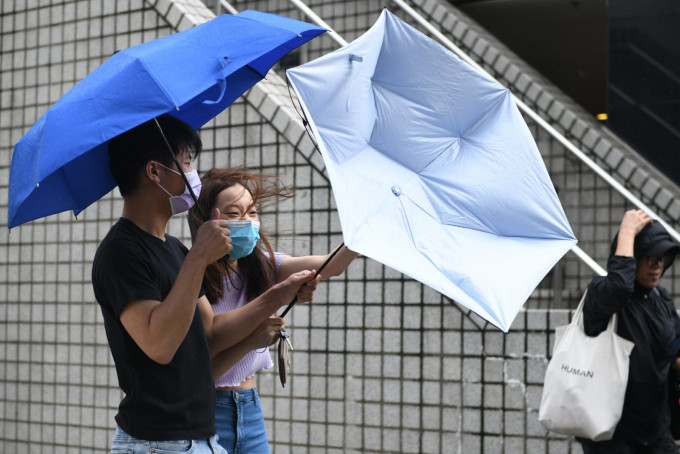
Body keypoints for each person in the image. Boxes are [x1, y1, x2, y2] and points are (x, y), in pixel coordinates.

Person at [91, 115, 319, 453]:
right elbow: (159, 343)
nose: (192, 174)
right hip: (158, 442)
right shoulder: (121, 251)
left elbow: (210, 334)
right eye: (185, 162)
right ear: (155, 172)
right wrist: (199, 257)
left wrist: (279, 294)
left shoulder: (173, 249)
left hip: (199, 438)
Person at [187, 167, 358, 454]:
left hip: (250, 407)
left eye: (252, 213)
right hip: (207, 411)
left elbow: (332, 265)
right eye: (233, 214)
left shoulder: (263, 264)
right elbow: (203, 361)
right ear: (205, 222)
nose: (248, 222)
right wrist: (253, 338)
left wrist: (364, 235)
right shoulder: (190, 276)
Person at [579, 209, 680, 453]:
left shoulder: (661, 299)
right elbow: (619, 287)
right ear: (633, 256)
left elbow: (674, 349)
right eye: (650, 256)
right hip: (611, 433)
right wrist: (626, 231)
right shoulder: (603, 294)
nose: (658, 265)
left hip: (656, 432)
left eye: (663, 258)